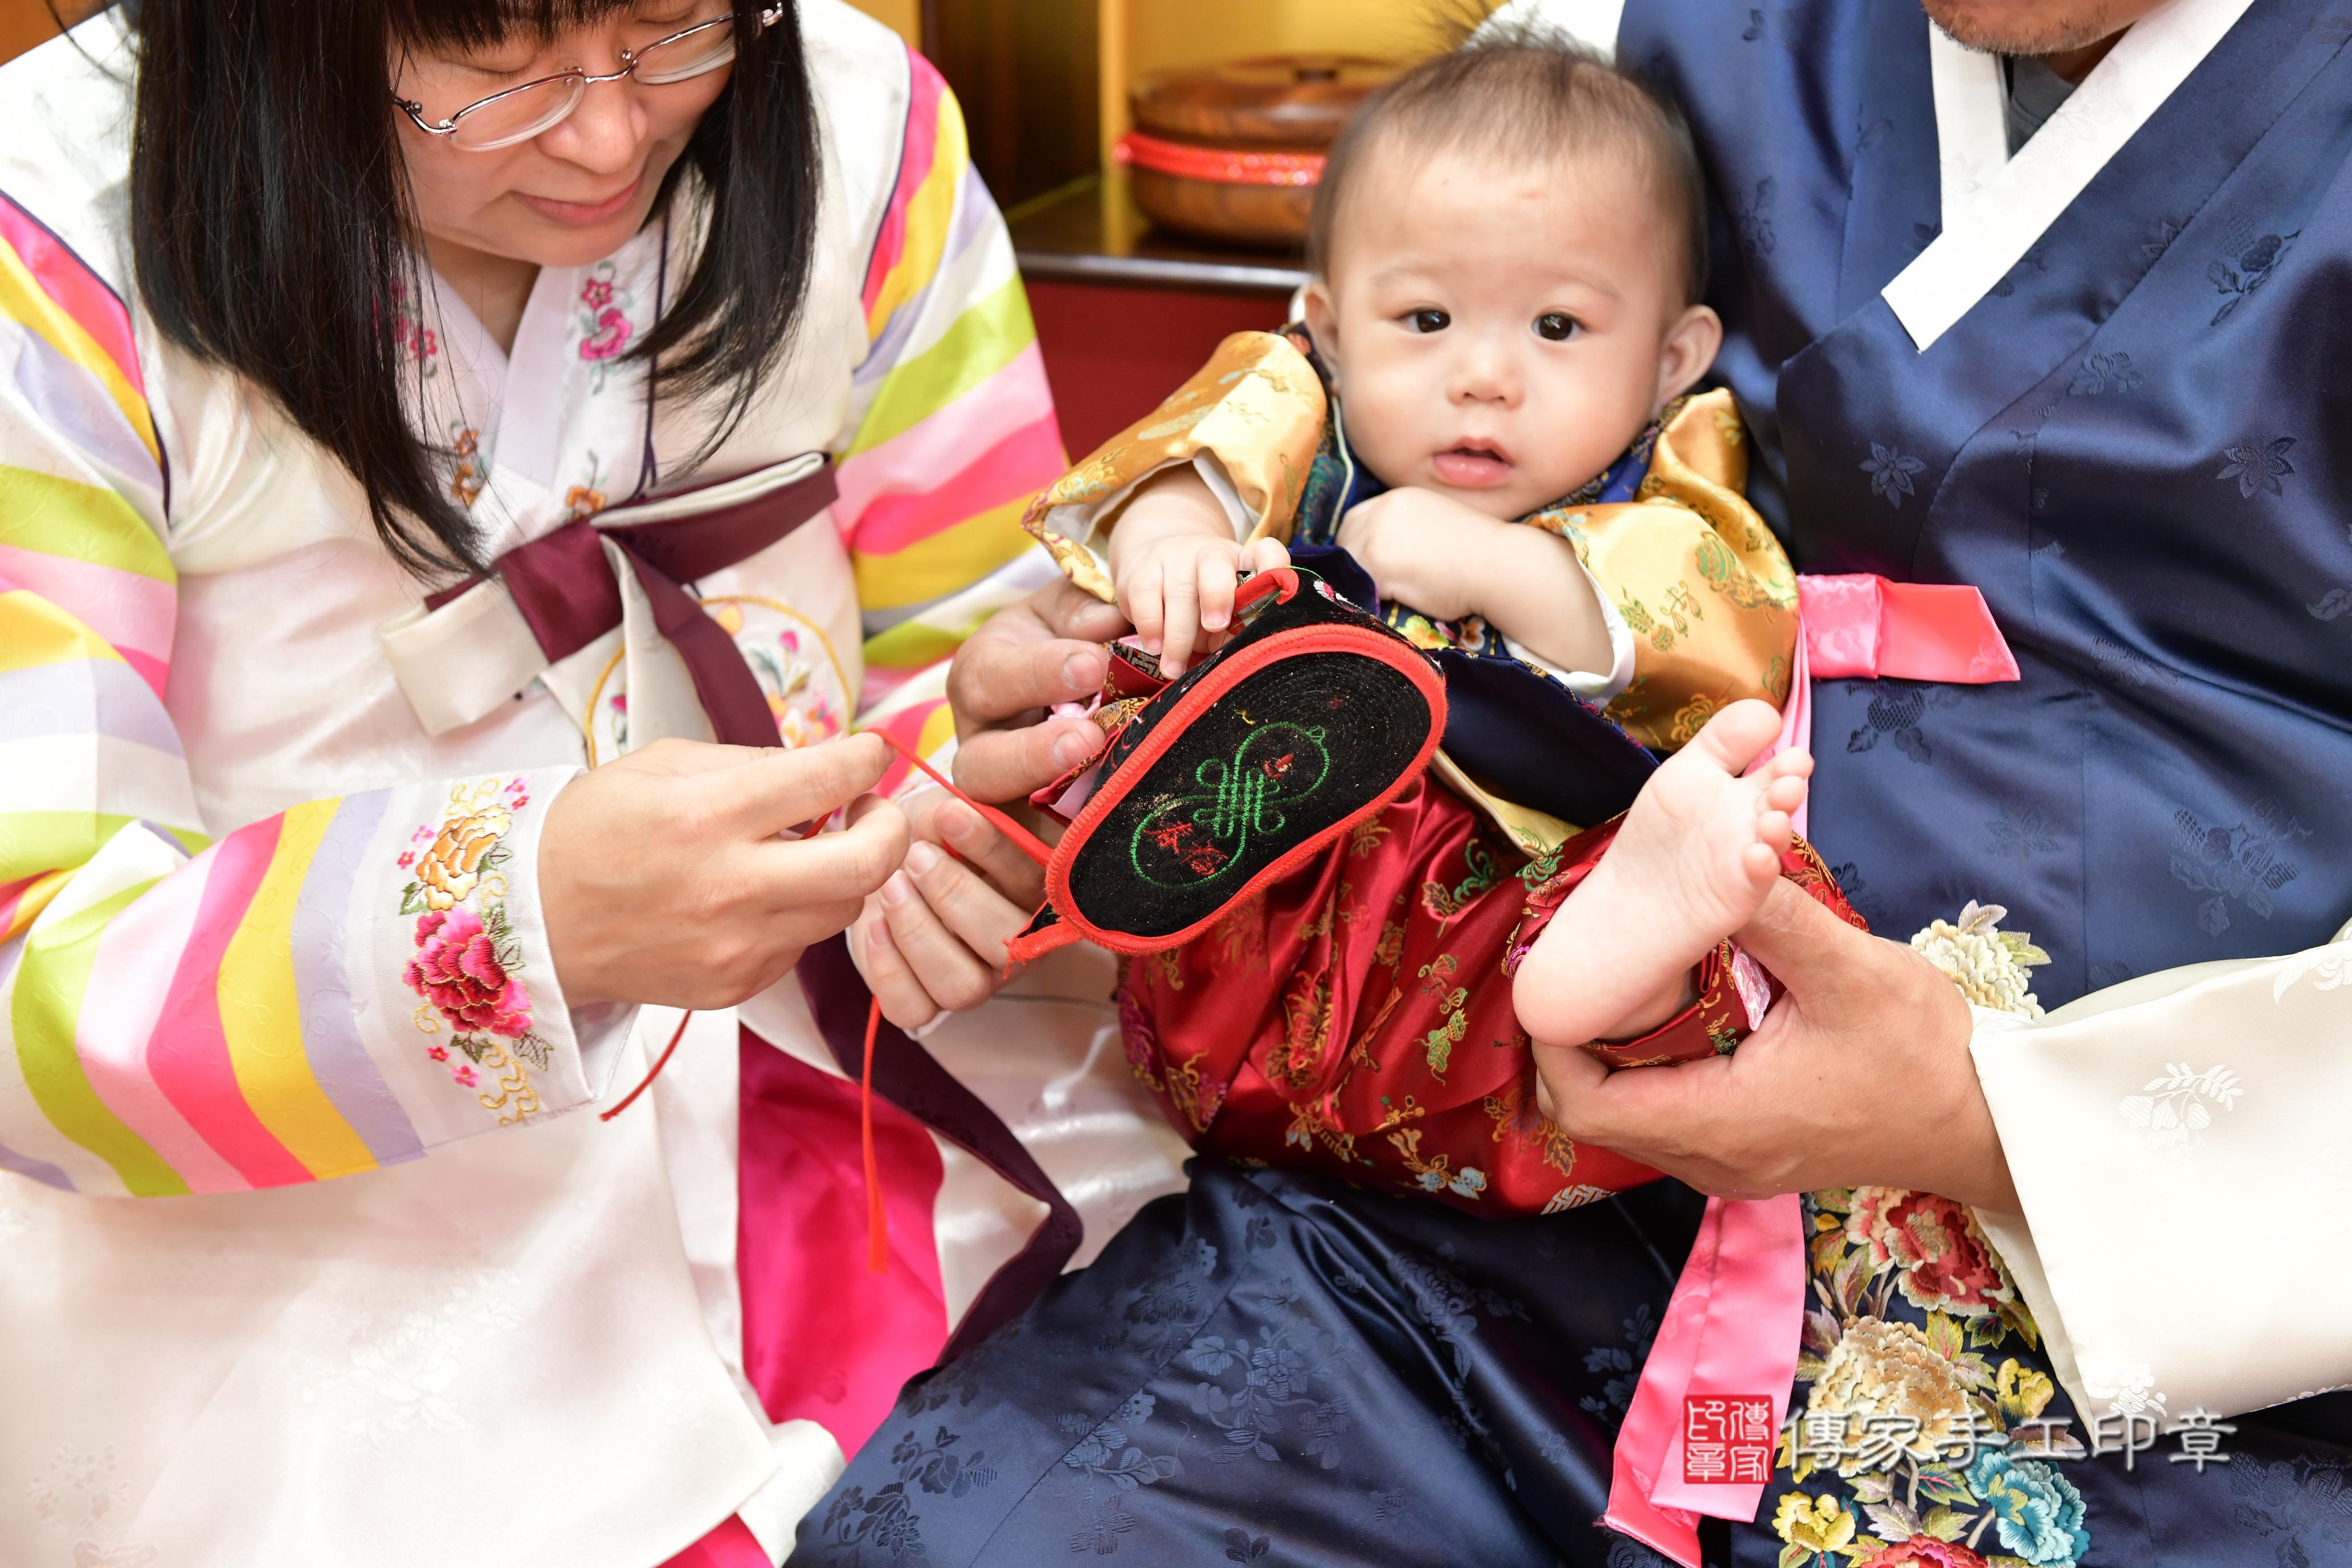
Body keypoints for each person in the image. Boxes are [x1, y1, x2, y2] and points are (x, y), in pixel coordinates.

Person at [801, 0, 2352, 1563]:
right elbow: (1342, 352)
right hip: (1483, 1240)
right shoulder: (1623, 32)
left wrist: (1989, 1123)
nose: (1487, 378)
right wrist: (1129, 624)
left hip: (2173, 1320)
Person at [0, 4, 1192, 1565]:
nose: (610, 135)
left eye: (674, 22)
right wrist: (518, 923)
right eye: (491, 60)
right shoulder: (53, 240)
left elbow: (954, 646)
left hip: (856, 1101)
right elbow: (32, 964)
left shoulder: (866, 127)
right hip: (282, 1212)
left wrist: (973, 792)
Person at [1010, 37, 1847, 1217]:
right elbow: (1198, 453)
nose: (1485, 376)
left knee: (1718, 888)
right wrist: (1172, 544)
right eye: (1426, 316)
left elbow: (1725, 620)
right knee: (1186, 718)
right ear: (1333, 330)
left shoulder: (1667, 482)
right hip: (1281, 906)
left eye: (1558, 328)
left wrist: (1504, 566)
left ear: (1672, 361)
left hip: (1520, 959)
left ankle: (1620, 957)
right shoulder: (1310, 420)